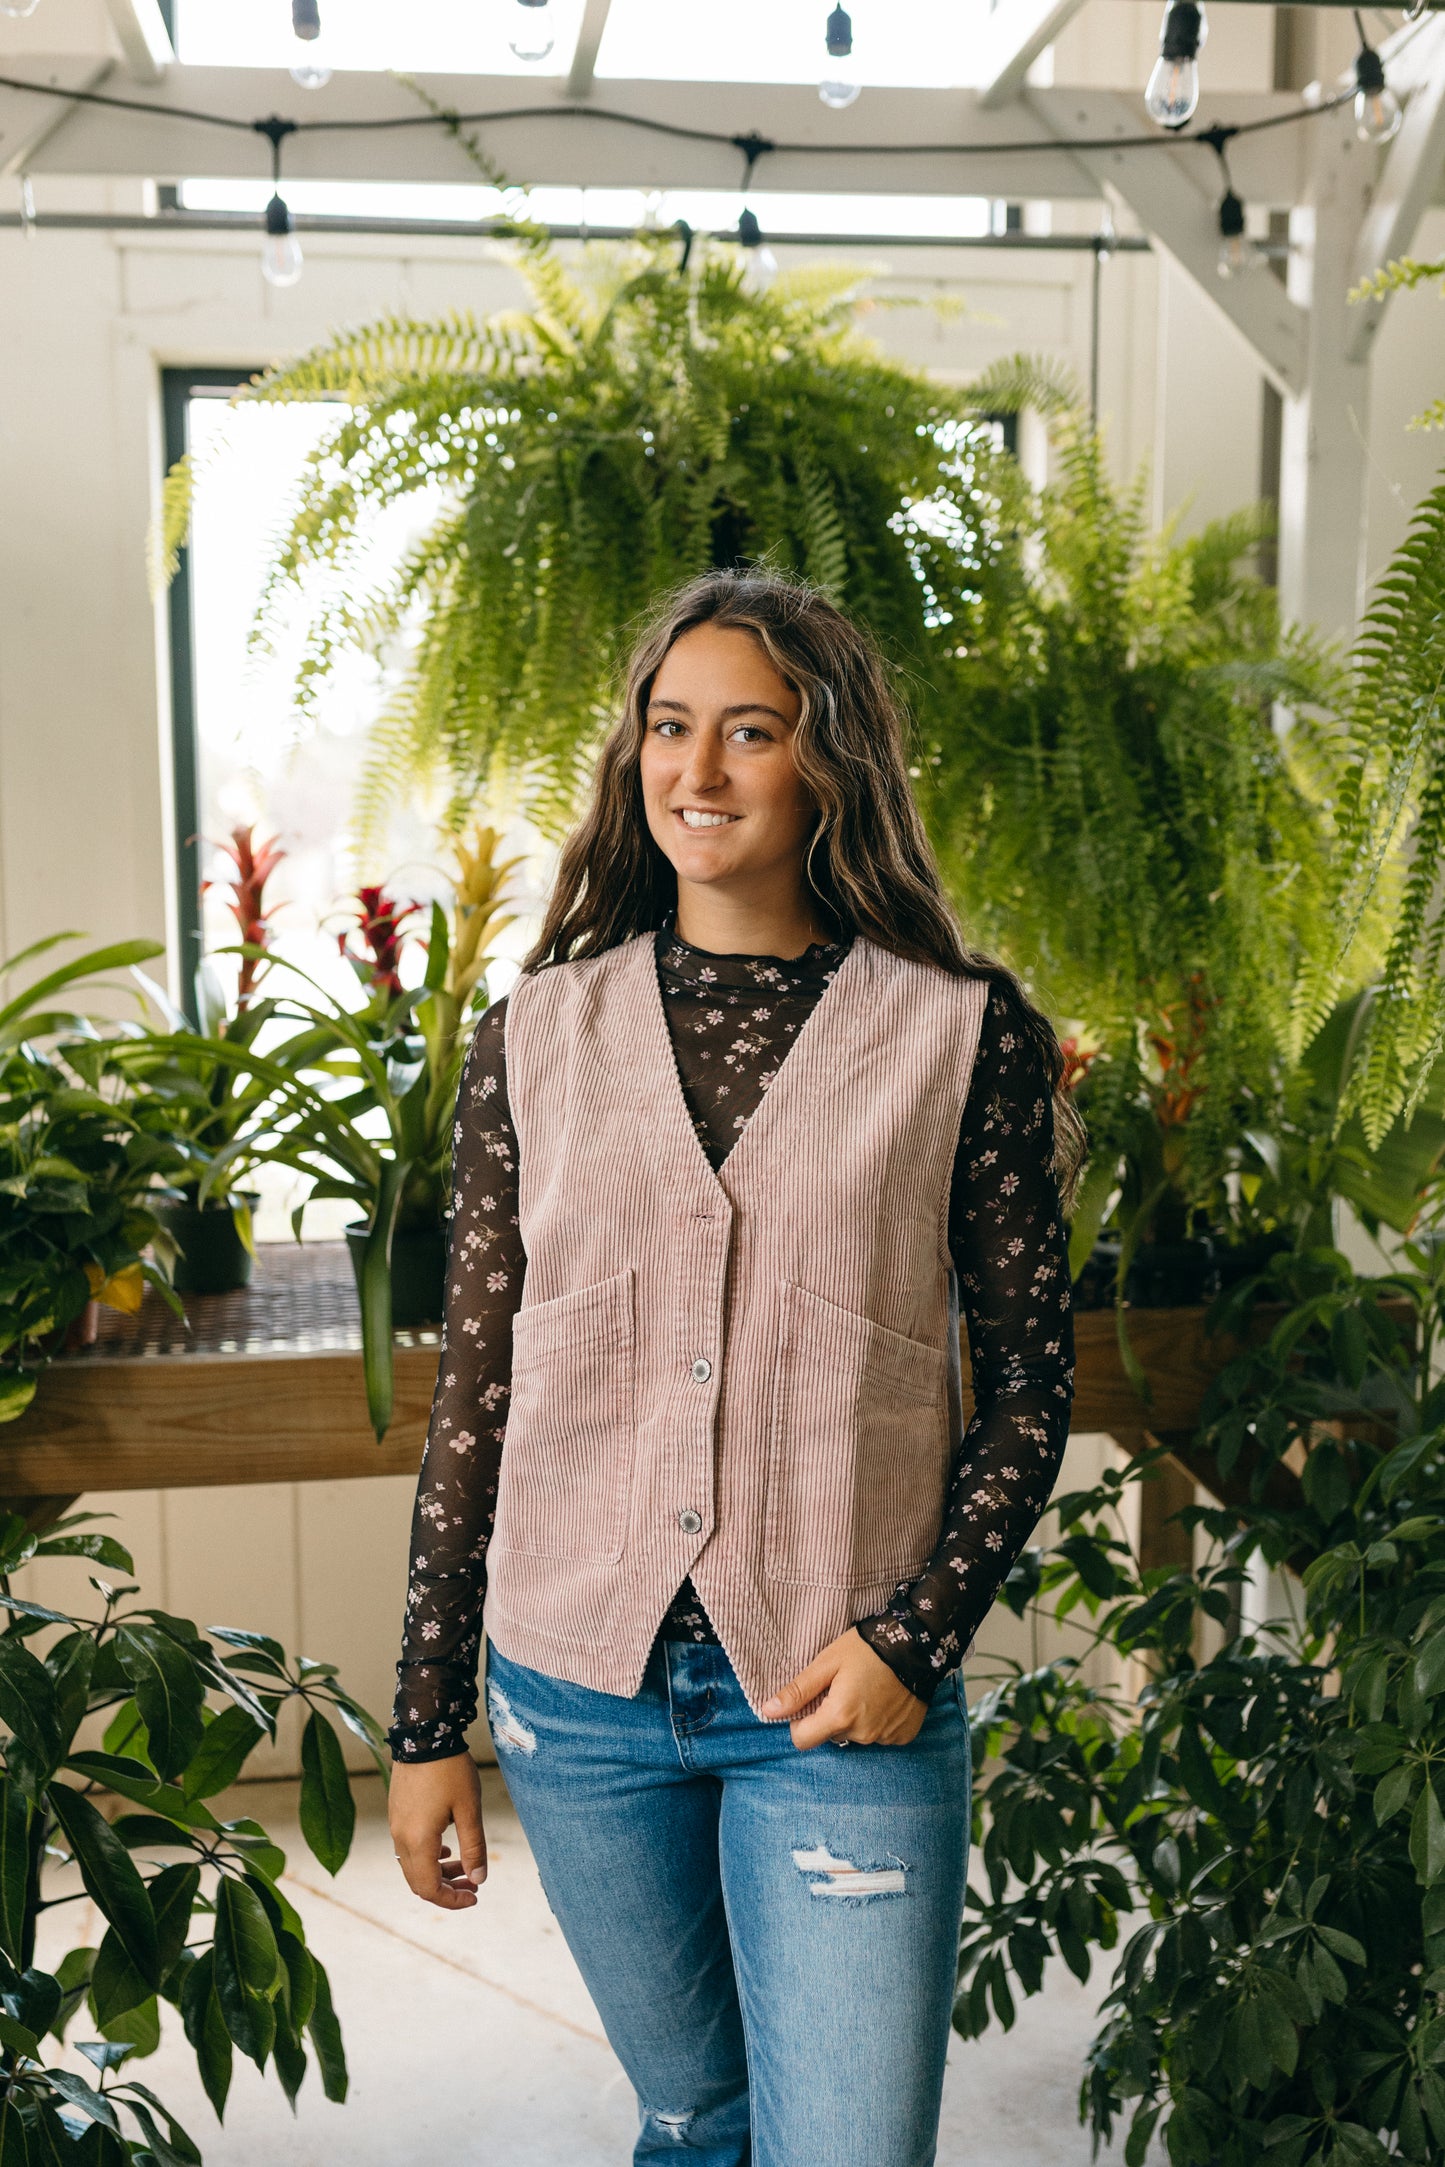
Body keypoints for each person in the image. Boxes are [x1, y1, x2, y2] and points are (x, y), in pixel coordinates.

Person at [387, 568, 1082, 2167]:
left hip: (840, 1705)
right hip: (579, 1700)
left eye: (749, 732)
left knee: (843, 2146)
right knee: (695, 2120)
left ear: (829, 760)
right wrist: (425, 1721)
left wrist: (918, 1634)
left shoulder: (958, 1040)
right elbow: (475, 1397)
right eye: (668, 728)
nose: (695, 772)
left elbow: (1033, 1392)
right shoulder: (533, 1041)